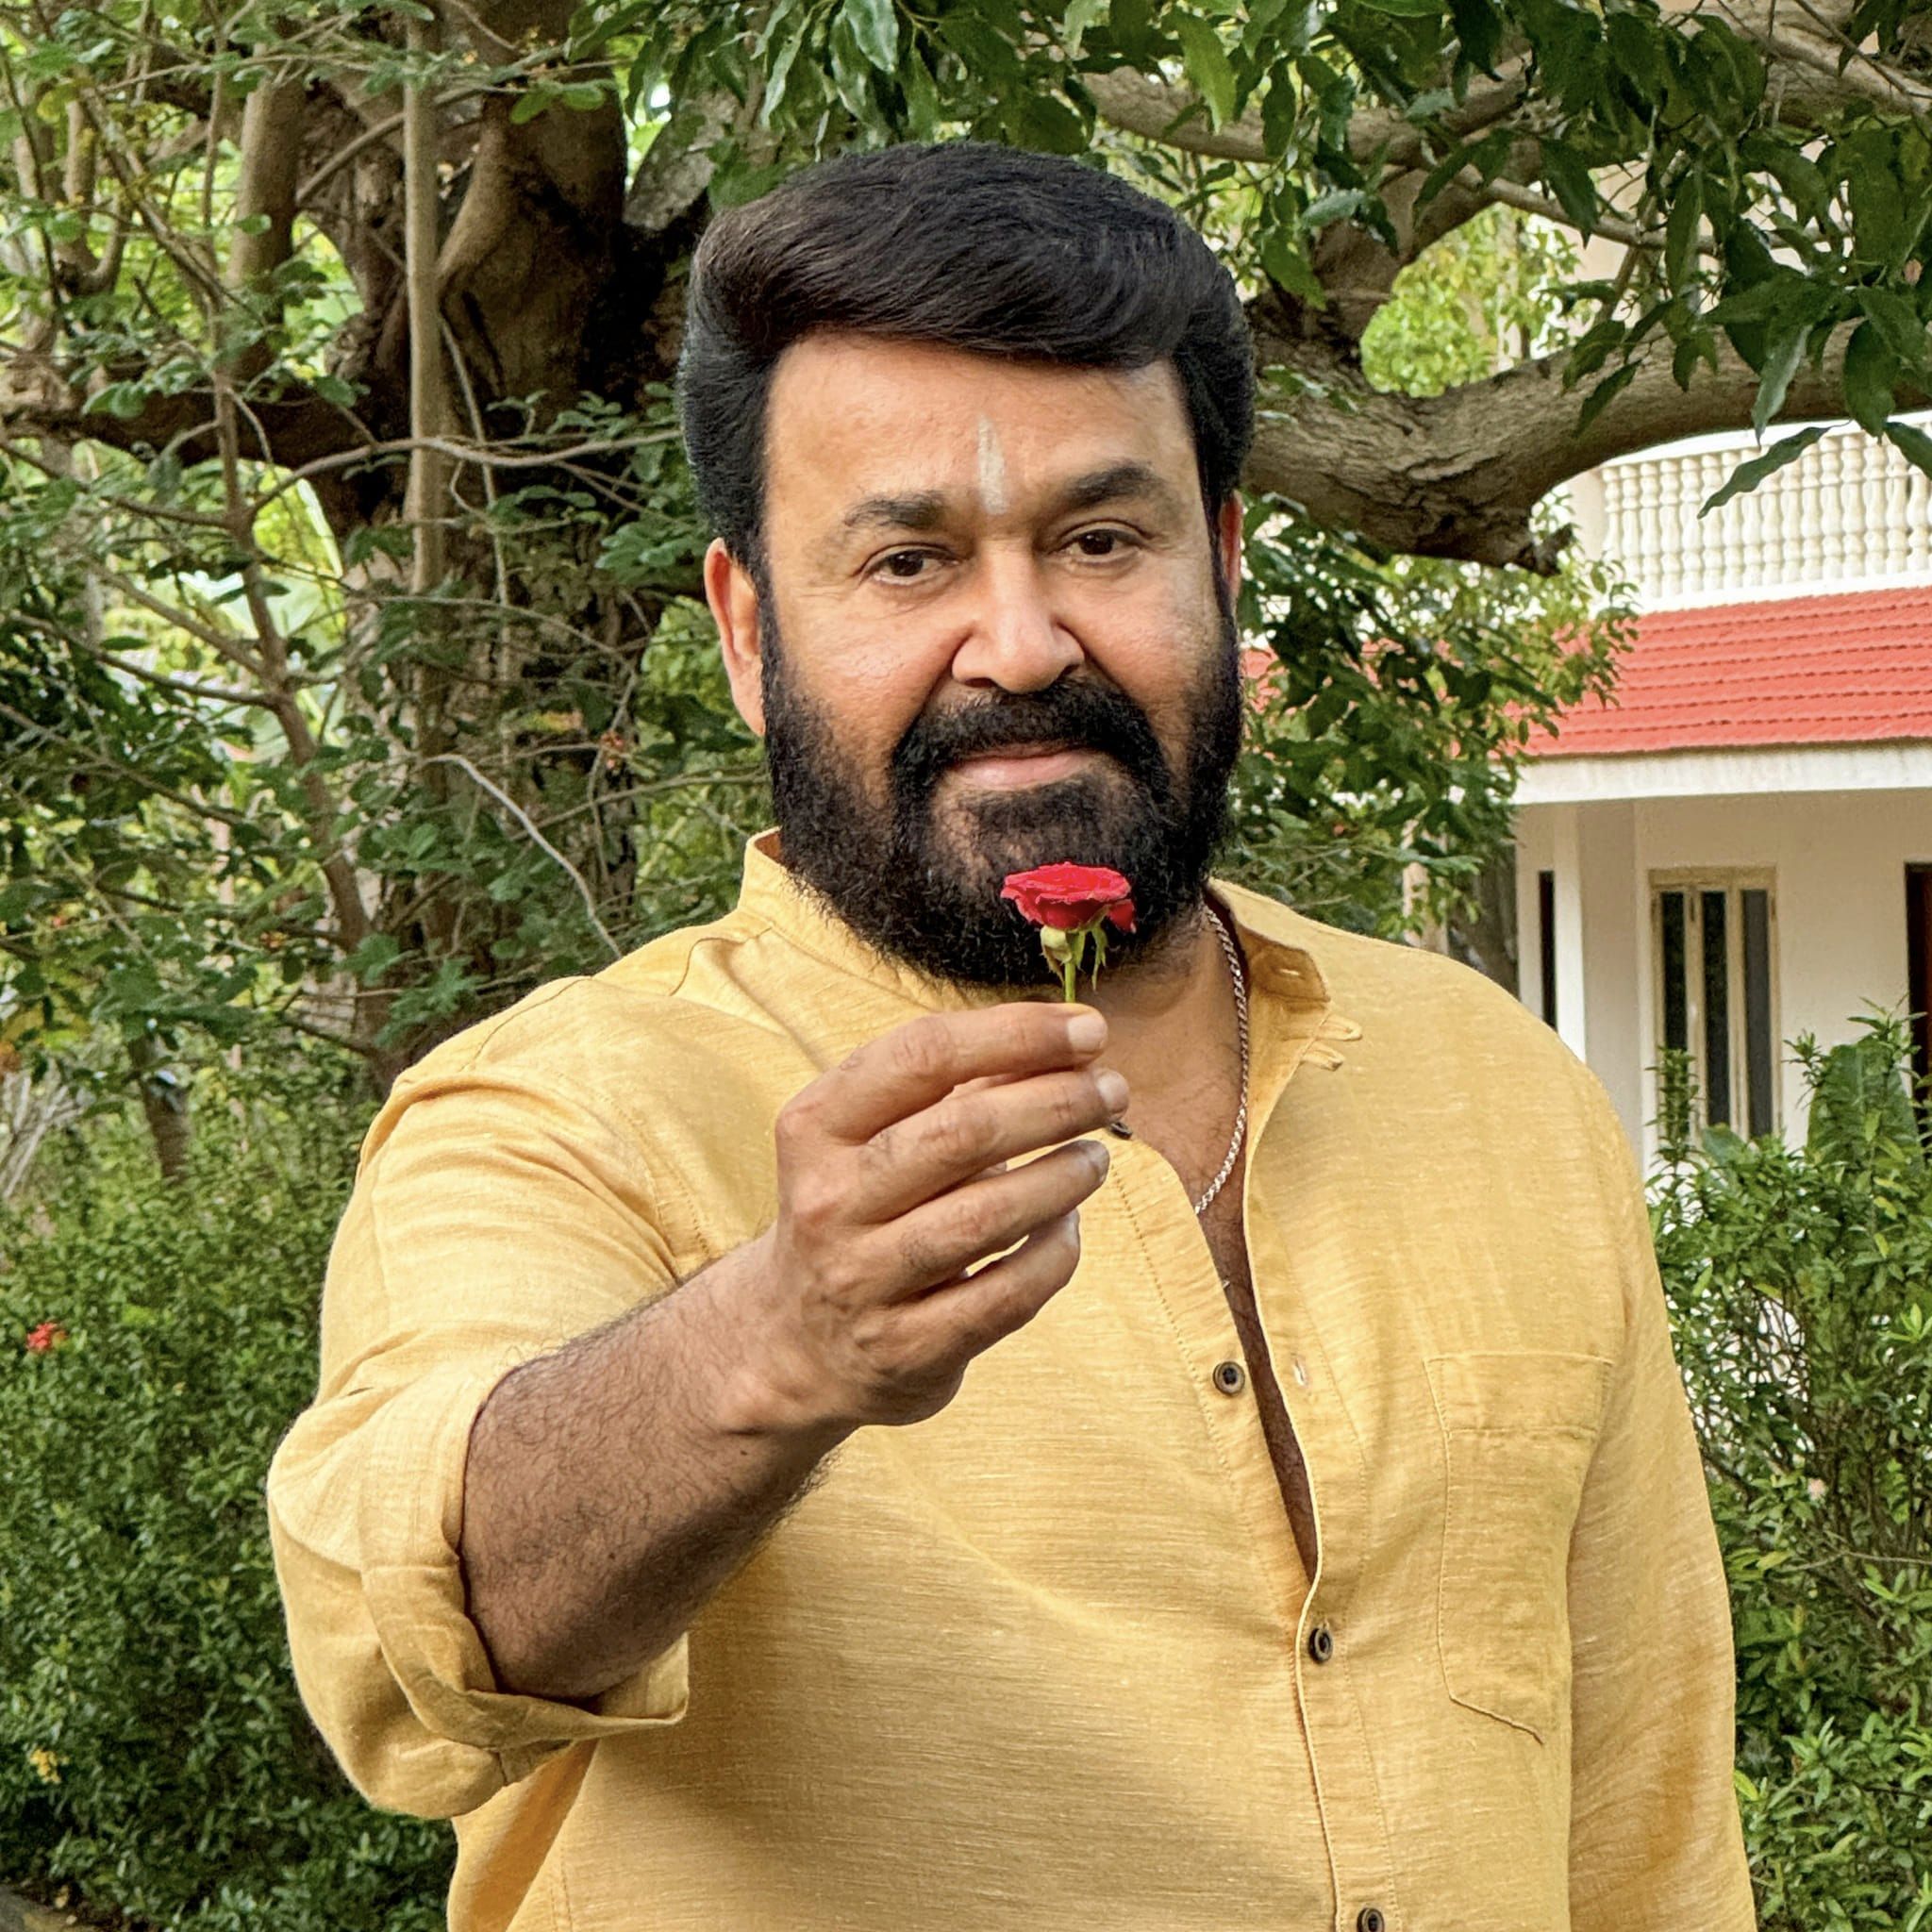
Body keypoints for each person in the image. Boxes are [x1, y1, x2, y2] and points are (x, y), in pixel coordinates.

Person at [266, 142, 1757, 1932]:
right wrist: (779, 1341)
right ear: (750, 636)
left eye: (1100, 539)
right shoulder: (556, 1114)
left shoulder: (1497, 1085)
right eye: (907, 560)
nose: (1023, 644)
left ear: (1218, 565)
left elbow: (1650, 1812)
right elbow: (405, 1625)